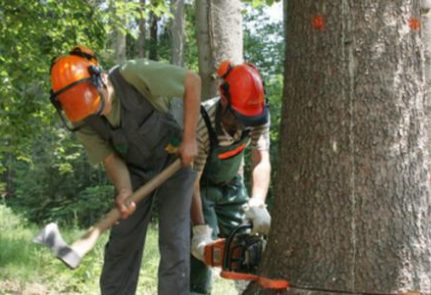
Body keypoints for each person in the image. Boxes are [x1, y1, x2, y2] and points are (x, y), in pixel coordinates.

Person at [49, 46, 201, 295]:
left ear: (100, 78)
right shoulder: (81, 118)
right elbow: (110, 158)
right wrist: (124, 189)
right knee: (122, 242)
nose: (94, 113)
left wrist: (189, 139)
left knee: (174, 240)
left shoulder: (133, 75)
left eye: (97, 104)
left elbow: (192, 81)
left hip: (174, 160)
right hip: (134, 172)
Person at [189, 61, 272, 294]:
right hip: (201, 188)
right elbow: (191, 183)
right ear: (224, 100)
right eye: (242, 118)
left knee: (247, 249)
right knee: (203, 254)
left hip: (232, 185)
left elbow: (261, 159)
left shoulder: (257, 115)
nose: (248, 125)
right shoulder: (202, 122)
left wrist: (257, 202)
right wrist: (199, 229)